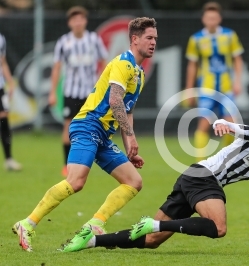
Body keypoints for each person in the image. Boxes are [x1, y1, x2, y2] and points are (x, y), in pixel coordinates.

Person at [60, 114, 249, 252]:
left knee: (151, 242)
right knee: (218, 228)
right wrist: (222, 125)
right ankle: (152, 225)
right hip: (204, 177)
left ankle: (89, 242)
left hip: (193, 179)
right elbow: (232, 126)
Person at [12, 17, 158, 252]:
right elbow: (115, 100)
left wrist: (131, 142)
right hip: (88, 125)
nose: (153, 43)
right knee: (76, 181)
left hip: (102, 135)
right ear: (134, 39)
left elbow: (126, 110)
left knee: (133, 182)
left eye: (155, 39)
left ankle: (93, 225)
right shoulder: (123, 63)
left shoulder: (138, 74)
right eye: (149, 38)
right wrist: (129, 136)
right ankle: (26, 224)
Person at [48, 6, 108, 177]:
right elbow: (57, 68)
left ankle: (91, 163)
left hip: (91, 93)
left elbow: (105, 62)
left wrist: (104, 86)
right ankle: (67, 164)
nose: (78, 22)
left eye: (80, 19)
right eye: (74, 19)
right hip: (71, 92)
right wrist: (52, 92)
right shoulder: (63, 42)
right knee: (68, 126)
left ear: (85, 21)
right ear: (69, 23)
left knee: (94, 127)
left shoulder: (94, 40)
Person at [185, 2, 244, 161]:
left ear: (219, 19)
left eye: (214, 17)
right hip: (207, 88)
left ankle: (225, 158)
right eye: (208, 17)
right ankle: (200, 163)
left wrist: (238, 81)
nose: (211, 20)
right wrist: (190, 89)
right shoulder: (196, 39)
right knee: (204, 123)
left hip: (226, 88)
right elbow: (192, 65)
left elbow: (237, 59)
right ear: (203, 19)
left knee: (231, 125)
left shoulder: (229, 35)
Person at [0, 33, 22, 171]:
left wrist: (10, 82)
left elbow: (2, 61)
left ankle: (8, 159)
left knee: (4, 120)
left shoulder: (1, 39)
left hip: (0, 87)